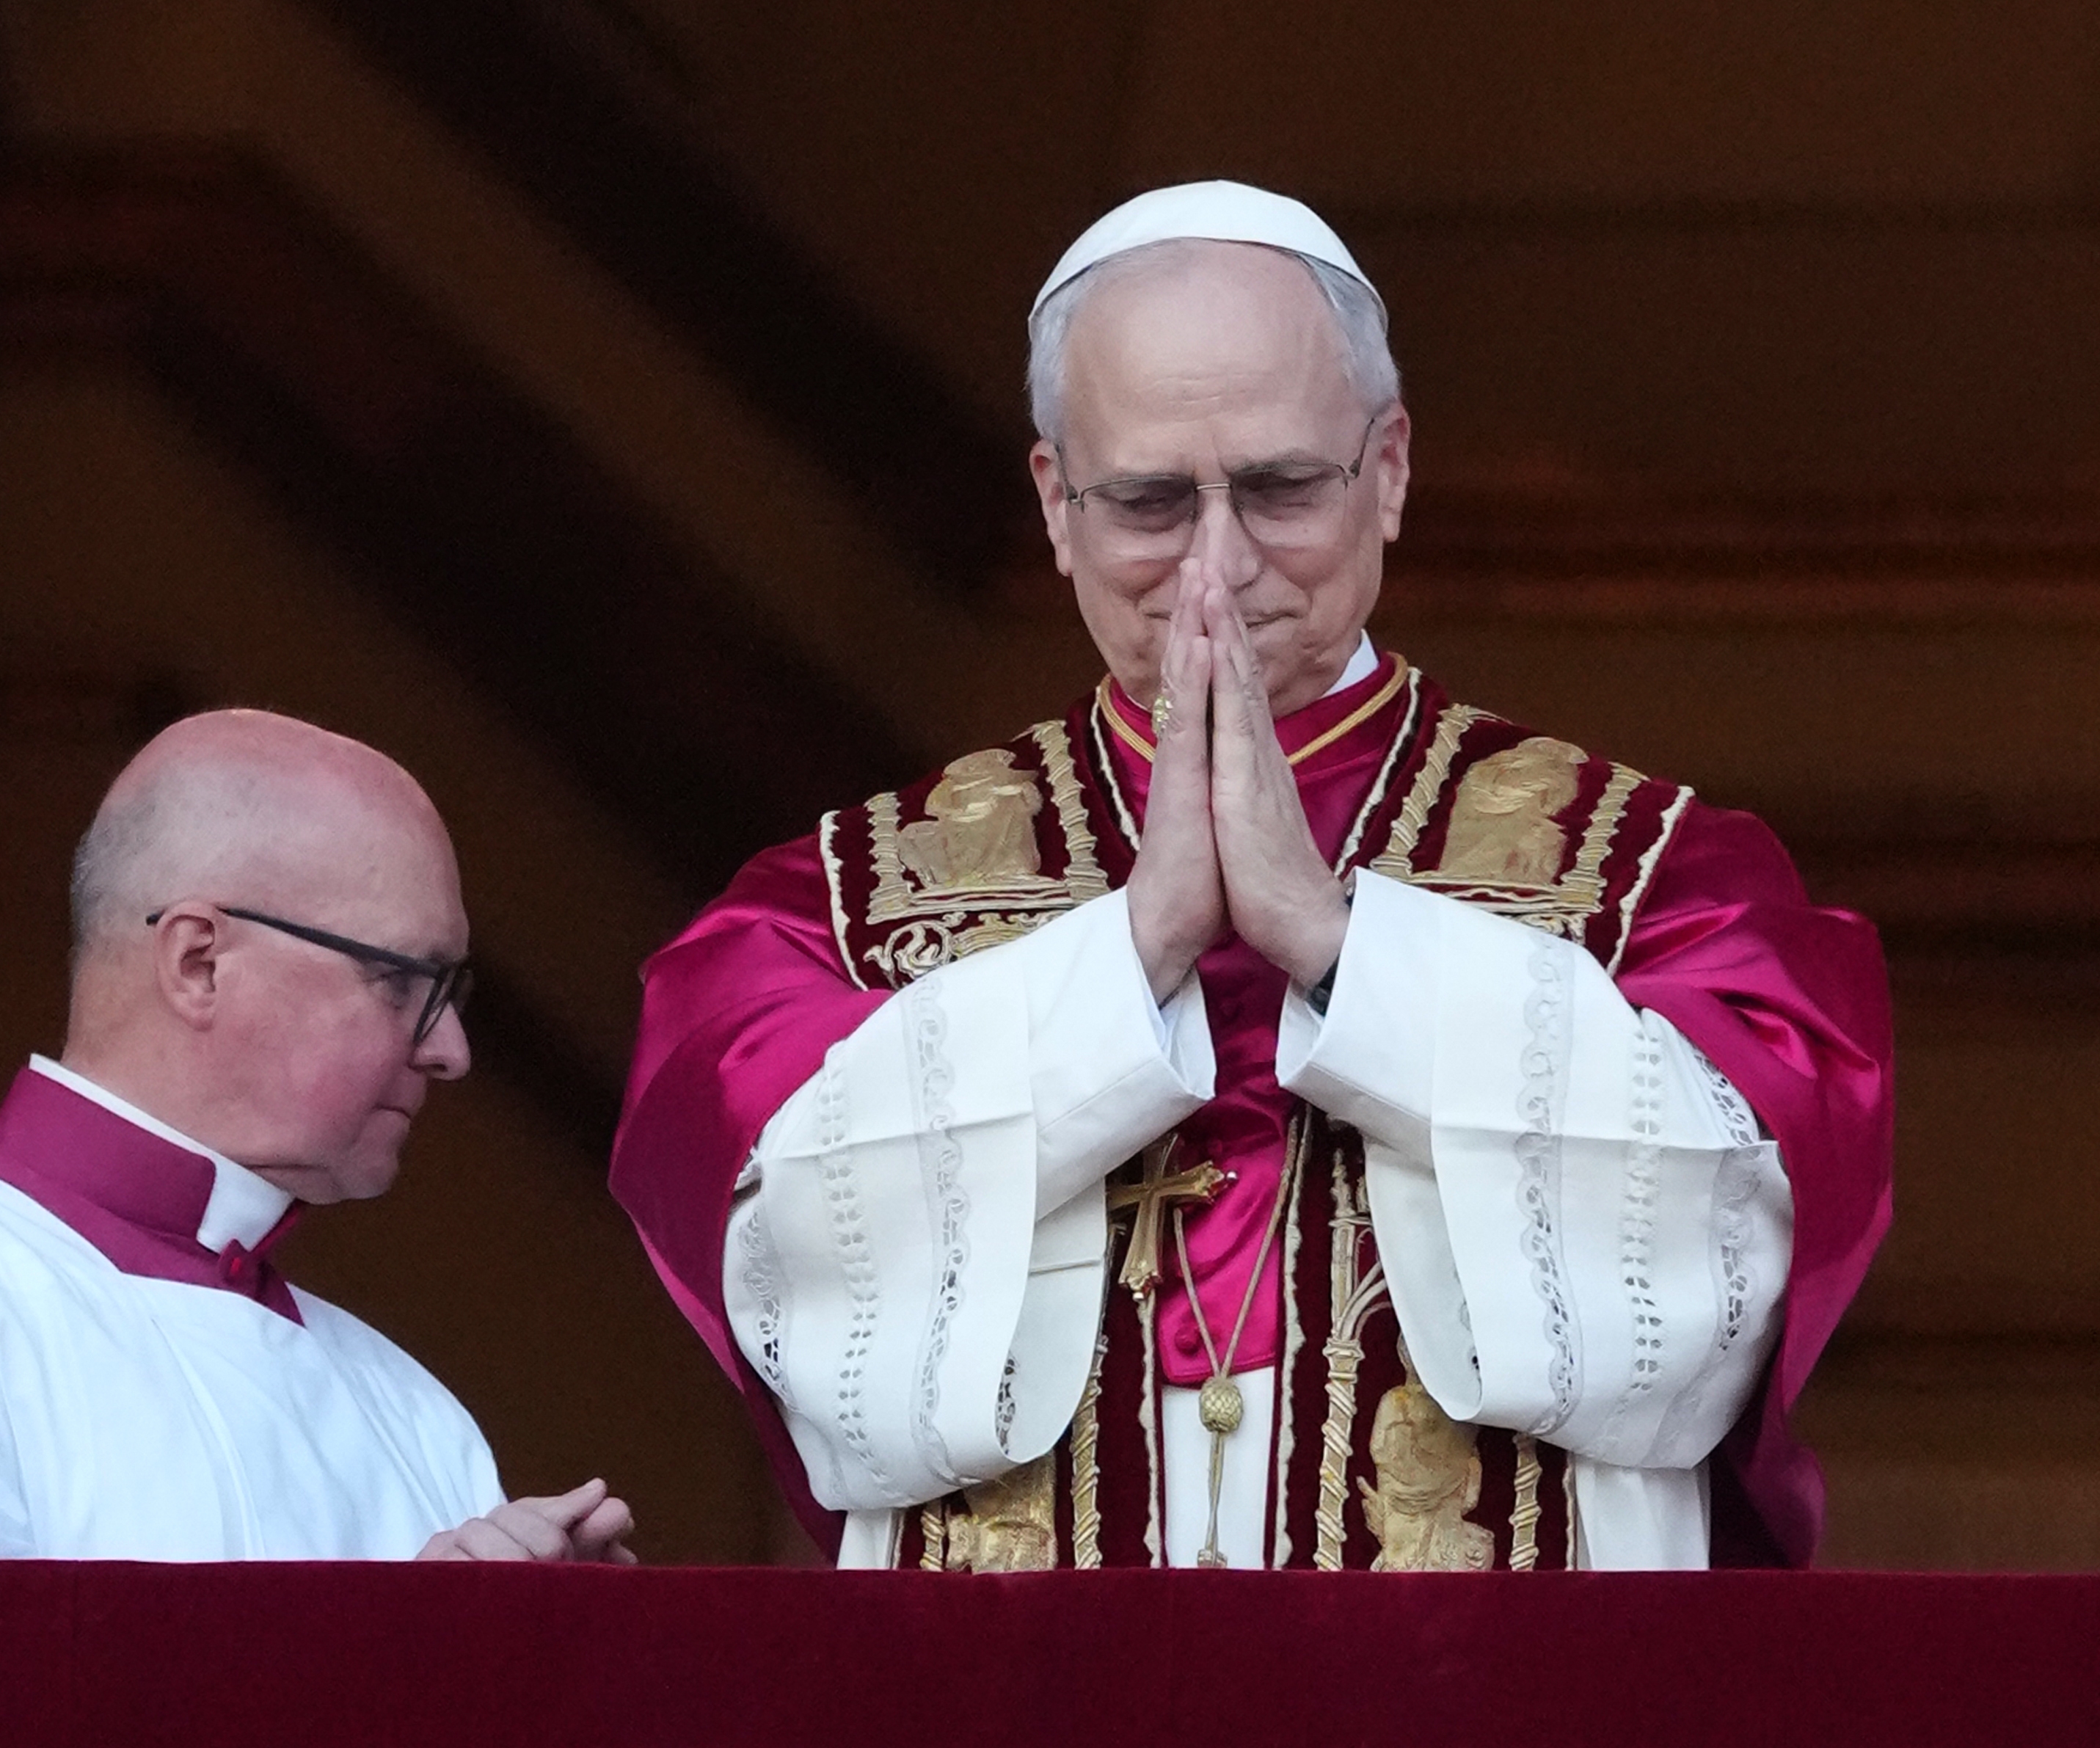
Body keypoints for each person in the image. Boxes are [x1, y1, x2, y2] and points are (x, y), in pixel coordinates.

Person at [611, 182, 1892, 1570]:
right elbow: (774, 1260)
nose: (1216, 567)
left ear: (1390, 468)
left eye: (1281, 488)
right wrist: (1133, 953)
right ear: (1054, 500)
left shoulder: (1657, 880)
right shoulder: (841, 911)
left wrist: (1347, 952)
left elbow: (1739, 1253)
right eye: (1150, 502)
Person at [0, 708, 635, 1563]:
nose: (451, 1051)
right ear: (199, 963)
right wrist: (389, 1655)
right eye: (402, 980)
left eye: (453, 995)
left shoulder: (413, 1415)